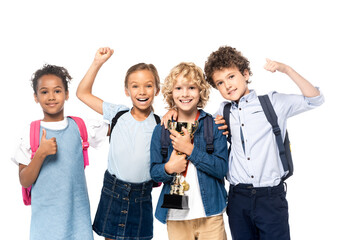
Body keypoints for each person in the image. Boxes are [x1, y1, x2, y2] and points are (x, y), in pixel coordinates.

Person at [202, 46, 325, 240]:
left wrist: (286, 69)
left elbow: (315, 99)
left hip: (271, 198)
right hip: (237, 197)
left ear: (245, 73)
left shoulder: (272, 103)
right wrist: (172, 112)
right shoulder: (222, 111)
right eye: (220, 82)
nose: (227, 86)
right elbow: (197, 124)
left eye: (231, 77)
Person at [11, 64, 107, 240]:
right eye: (44, 92)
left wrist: (97, 63)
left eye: (57, 91)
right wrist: (40, 153)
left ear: (67, 94)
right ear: (36, 97)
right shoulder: (30, 132)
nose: (51, 97)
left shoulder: (80, 127)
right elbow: (24, 181)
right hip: (46, 228)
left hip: (79, 225)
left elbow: (119, 124)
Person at [76, 47, 160, 240]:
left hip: (142, 196)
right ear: (126, 90)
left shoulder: (160, 123)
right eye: (135, 86)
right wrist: (98, 62)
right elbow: (82, 93)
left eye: (148, 85)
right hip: (113, 191)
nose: (142, 91)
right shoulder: (118, 113)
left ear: (157, 89)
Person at [150, 62, 228, 240]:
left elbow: (222, 169)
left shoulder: (213, 125)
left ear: (201, 91)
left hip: (211, 215)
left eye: (191, 87)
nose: (185, 94)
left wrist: (190, 150)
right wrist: (169, 168)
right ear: (171, 92)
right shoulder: (161, 129)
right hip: (176, 217)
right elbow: (154, 172)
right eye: (178, 88)